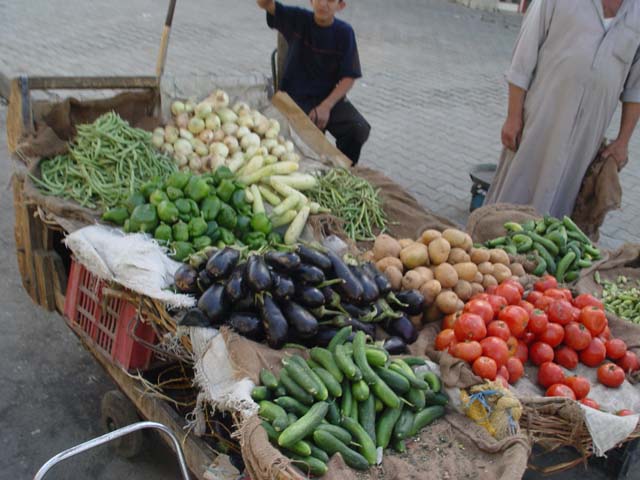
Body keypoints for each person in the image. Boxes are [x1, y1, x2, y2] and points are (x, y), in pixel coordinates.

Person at [485, 0, 640, 218]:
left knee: (563, 209)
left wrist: (623, 141)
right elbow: (523, 57)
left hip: (586, 139)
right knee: (513, 194)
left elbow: (636, 88)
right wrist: (513, 116)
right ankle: (491, 245)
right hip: (540, 118)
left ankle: (541, 251)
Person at [256, 0, 370, 165]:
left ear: (340, 5)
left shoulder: (344, 33)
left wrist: (326, 106)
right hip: (294, 99)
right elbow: (265, 4)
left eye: (330, 0)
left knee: (358, 128)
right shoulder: (297, 19)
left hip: (327, 98)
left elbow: (349, 77)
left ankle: (343, 170)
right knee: (302, 143)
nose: (323, 4)